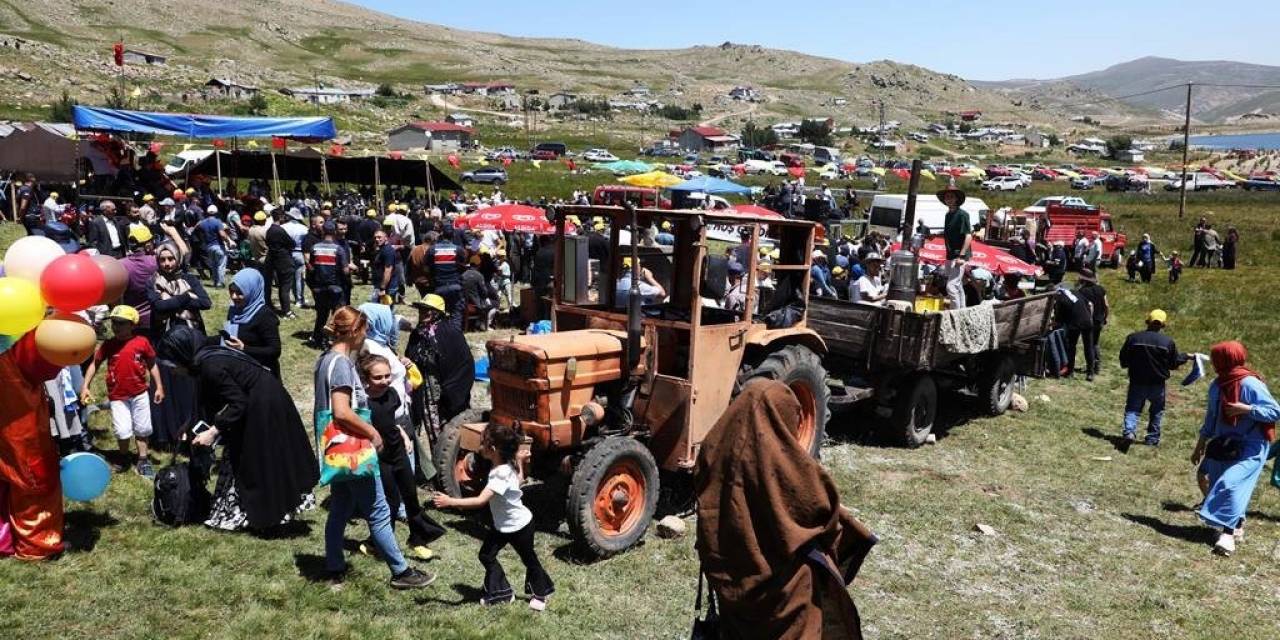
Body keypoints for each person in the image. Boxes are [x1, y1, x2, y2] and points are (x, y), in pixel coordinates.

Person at [695, 380, 877, 639]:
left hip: (732, 580)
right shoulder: (786, 465)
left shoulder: (712, 453)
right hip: (784, 592)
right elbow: (818, 509)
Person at [313, 308, 436, 589]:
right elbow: (342, 412)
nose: (365, 336)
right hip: (354, 449)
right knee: (379, 510)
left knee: (341, 508)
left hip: (337, 450)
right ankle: (401, 572)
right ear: (355, 331)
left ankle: (334, 566)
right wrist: (372, 433)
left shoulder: (324, 360)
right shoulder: (342, 364)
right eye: (364, 330)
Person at [157, 326, 318, 533]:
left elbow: (237, 403)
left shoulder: (209, 365)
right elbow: (211, 399)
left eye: (172, 364)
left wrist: (213, 431)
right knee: (239, 457)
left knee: (256, 462)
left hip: (264, 408)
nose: (172, 370)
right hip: (260, 403)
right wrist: (189, 424)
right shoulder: (205, 359)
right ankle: (236, 511)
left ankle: (261, 514)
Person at [434, 422, 555, 610]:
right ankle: (502, 593)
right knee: (486, 555)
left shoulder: (500, 473)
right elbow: (519, 480)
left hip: (520, 526)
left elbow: (480, 501)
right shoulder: (507, 464)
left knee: (529, 559)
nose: (479, 447)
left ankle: (540, 594)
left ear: (492, 449)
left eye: (482, 443)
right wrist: (521, 462)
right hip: (502, 526)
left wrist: (450, 501)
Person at [1190, 341, 1279, 556]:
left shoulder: (1250, 384)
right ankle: (1236, 523)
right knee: (1214, 481)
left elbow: (1275, 412)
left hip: (1251, 446)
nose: (1213, 363)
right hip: (1223, 445)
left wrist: (1246, 409)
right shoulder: (1217, 385)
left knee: (1230, 485)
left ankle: (1227, 537)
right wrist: (1200, 444)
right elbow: (1211, 418)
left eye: (1217, 358)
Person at [357, 354, 446, 561]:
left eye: (387, 376)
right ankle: (377, 543)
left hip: (398, 452)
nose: (384, 381)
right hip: (380, 457)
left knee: (411, 497)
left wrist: (404, 434)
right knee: (391, 502)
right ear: (365, 379)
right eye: (378, 377)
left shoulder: (392, 395)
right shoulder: (363, 403)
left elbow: (392, 422)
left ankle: (418, 539)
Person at [80, 305, 164, 478]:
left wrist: (159, 386)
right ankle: (124, 456)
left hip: (140, 393)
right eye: (114, 323)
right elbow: (95, 364)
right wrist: (85, 386)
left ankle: (143, 459)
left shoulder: (142, 342)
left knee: (143, 428)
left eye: (122, 323)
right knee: (122, 430)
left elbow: (152, 364)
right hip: (118, 396)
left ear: (133, 325)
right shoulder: (109, 345)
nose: (116, 327)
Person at [147, 243, 211, 447]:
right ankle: (169, 433)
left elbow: (205, 302)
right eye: (162, 259)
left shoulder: (190, 278)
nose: (166, 263)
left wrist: (172, 301)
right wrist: (184, 297)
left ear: (177, 259)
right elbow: (158, 306)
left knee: (192, 385)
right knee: (169, 384)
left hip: (191, 340)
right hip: (165, 341)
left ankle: (195, 429)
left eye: (170, 259)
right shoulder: (154, 281)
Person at [405, 293, 474, 438]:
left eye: (428, 310)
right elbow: (411, 357)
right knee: (434, 434)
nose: (424, 313)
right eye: (421, 309)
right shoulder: (417, 334)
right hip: (426, 394)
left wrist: (450, 392)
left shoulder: (450, 333)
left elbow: (464, 365)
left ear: (437, 313)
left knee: (454, 434)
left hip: (448, 395)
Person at [1117, 309, 1187, 447]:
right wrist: (1185, 357)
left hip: (1137, 381)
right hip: (1157, 383)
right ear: (1163, 325)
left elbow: (1123, 360)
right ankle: (1152, 438)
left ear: (1147, 321)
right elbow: (1173, 364)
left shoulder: (1133, 338)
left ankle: (1129, 432)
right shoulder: (1168, 342)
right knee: (1156, 411)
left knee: (1133, 408)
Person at [220, 269, 282, 377]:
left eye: (239, 292)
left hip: (260, 374)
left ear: (252, 291)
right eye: (231, 291)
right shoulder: (234, 310)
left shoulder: (265, 316)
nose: (234, 296)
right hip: (238, 370)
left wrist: (244, 348)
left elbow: (274, 351)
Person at [306, 222, 349, 349]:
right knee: (337, 316)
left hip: (319, 288)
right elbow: (345, 270)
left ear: (323, 232)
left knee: (321, 315)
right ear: (335, 232)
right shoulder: (338, 249)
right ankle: (336, 340)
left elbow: (311, 267)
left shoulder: (315, 248)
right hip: (336, 287)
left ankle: (318, 340)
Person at [938, 186, 971, 310]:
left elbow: (968, 236)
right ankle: (962, 311)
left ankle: (955, 315)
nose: (949, 199)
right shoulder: (948, 215)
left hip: (958, 255)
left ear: (957, 199)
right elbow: (949, 233)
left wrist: (962, 256)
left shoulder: (962, 215)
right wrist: (935, 235)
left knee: (951, 287)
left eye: (951, 197)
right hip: (950, 254)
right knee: (958, 286)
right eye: (947, 197)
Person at [1053, 284, 1095, 380]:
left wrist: (1051, 324)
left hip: (1075, 324)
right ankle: (1090, 373)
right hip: (1087, 321)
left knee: (1071, 347)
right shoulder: (1075, 292)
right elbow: (1090, 304)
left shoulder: (1061, 300)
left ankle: (1070, 371)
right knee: (1088, 347)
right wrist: (1090, 317)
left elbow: (1058, 321)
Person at [265, 209, 298, 319]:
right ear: (280, 217)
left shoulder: (269, 230)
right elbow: (291, 243)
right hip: (285, 261)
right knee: (286, 287)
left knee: (282, 287)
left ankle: (285, 308)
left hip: (275, 261)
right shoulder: (279, 230)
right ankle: (287, 311)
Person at [1075, 269, 1108, 377]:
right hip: (1099, 320)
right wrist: (1105, 317)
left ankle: (1091, 370)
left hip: (1087, 321)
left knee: (1088, 345)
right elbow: (1106, 305)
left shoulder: (1082, 292)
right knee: (1095, 344)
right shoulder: (1101, 289)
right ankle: (1097, 366)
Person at [462, 256, 500, 330]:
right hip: (476, 305)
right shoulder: (479, 276)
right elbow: (484, 292)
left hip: (464, 303)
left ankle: (478, 322)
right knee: (495, 303)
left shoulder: (463, 275)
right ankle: (485, 324)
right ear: (478, 265)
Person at [196, 204, 230, 287]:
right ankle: (220, 283)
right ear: (216, 212)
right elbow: (222, 234)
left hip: (209, 247)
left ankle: (215, 282)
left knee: (214, 265)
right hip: (218, 246)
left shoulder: (203, 222)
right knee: (221, 265)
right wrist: (228, 241)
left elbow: (196, 227)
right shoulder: (217, 221)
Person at [370, 229, 401, 305]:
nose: (377, 239)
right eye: (375, 238)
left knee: (386, 310)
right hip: (381, 285)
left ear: (386, 238)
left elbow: (388, 270)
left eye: (379, 237)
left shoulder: (388, 251)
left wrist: (382, 288)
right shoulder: (381, 249)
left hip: (388, 287)